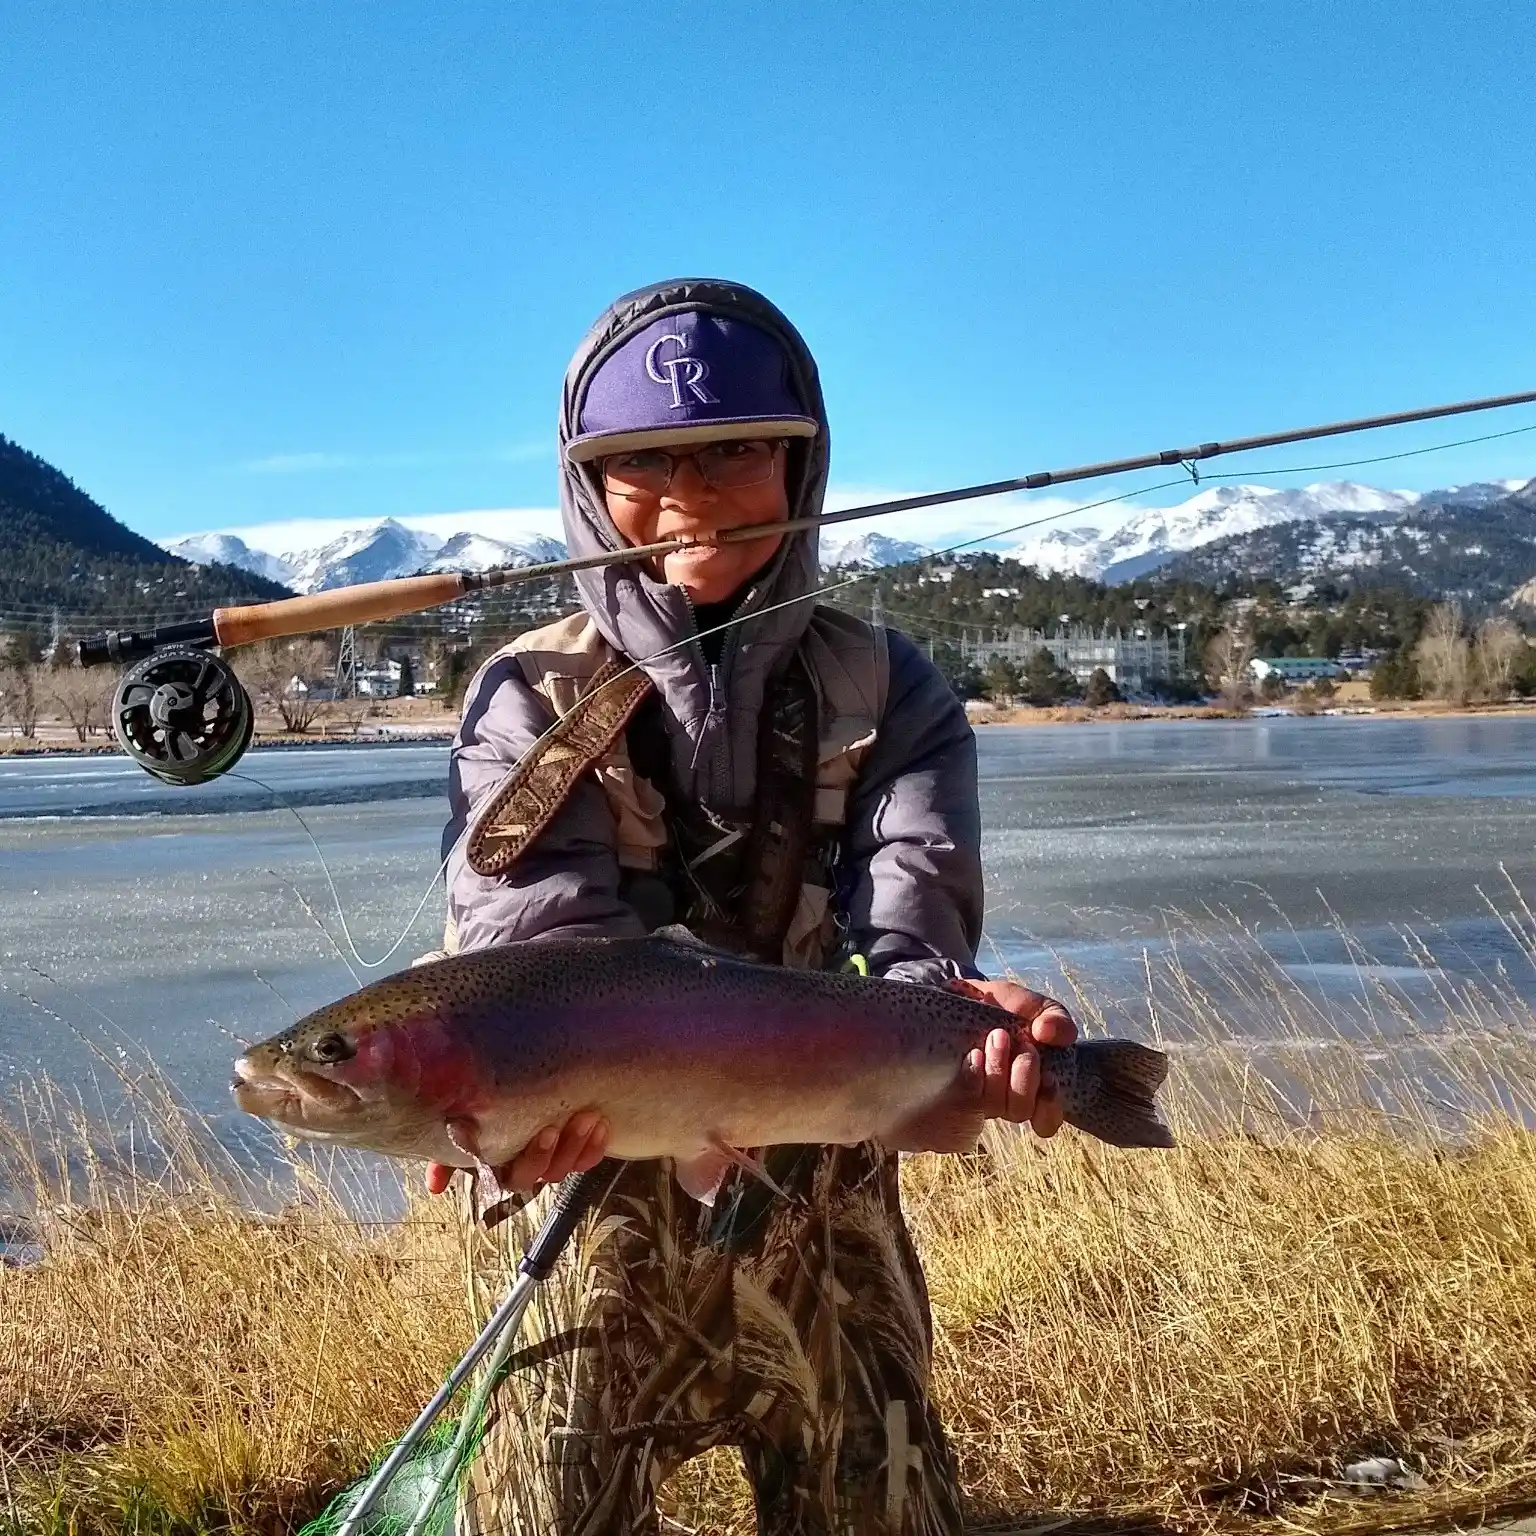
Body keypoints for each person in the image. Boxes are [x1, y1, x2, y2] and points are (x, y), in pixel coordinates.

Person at [435, 277, 1077, 1536]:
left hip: (822, 1161)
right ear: (583, 482)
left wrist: (956, 1027)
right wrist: (530, 1105)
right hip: (585, 1178)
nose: (692, 489)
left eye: (735, 448)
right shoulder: (526, 695)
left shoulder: (893, 689)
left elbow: (912, 935)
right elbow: (535, 956)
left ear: (803, 462)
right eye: (641, 461)